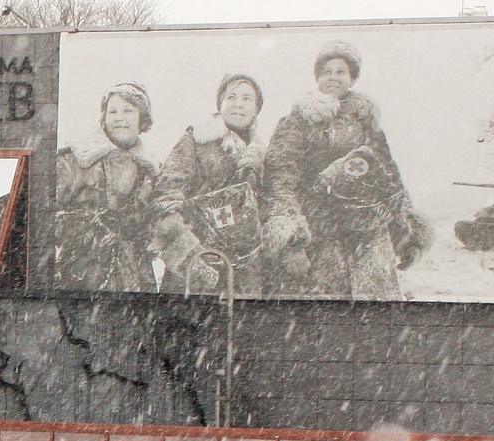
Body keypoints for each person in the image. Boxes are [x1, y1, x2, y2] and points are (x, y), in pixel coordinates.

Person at [260, 41, 429, 299]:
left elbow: (390, 180)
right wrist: (289, 239)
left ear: (352, 78)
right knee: (325, 319)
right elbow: (280, 178)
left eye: (340, 71)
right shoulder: (296, 122)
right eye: (326, 71)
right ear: (317, 77)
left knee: (375, 322)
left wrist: (407, 232)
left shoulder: (368, 124)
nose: (333, 77)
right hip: (319, 234)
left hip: (370, 238)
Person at [150, 72, 271, 294]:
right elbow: (166, 195)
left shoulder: (264, 156)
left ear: (257, 107)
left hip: (246, 273)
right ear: (220, 103)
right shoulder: (196, 141)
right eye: (231, 97)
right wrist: (188, 255)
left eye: (247, 98)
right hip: (198, 262)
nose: (238, 104)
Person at [52, 82, 162, 290]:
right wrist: (88, 227)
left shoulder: (152, 172)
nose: (119, 117)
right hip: (82, 273)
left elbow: (161, 223)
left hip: (136, 276)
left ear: (142, 119)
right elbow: (44, 215)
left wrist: (147, 234)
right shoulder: (75, 160)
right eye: (113, 111)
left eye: (128, 110)